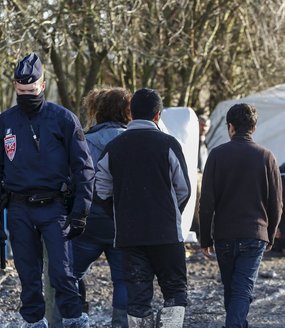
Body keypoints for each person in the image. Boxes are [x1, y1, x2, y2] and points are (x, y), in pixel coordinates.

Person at [0, 53, 94, 328]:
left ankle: (73, 320)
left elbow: (84, 169)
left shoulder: (63, 120)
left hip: (54, 206)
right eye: (21, 91)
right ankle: (33, 322)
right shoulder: (3, 124)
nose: (26, 95)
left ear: (42, 86)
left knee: (62, 273)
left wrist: (81, 211)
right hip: (19, 208)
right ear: (14, 87)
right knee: (28, 275)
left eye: (31, 91)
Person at [94, 88, 191, 327]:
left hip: (129, 234)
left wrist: (118, 213)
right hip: (166, 232)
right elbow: (184, 189)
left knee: (138, 298)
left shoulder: (114, 147)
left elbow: (101, 191)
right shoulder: (168, 144)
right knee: (175, 292)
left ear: (131, 113)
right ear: (158, 115)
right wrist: (170, 211)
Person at [199, 103, 282, 328]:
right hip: (255, 234)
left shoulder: (216, 155)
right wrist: (270, 234)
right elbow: (276, 204)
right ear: (254, 128)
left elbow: (206, 202)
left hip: (224, 235)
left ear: (230, 127)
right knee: (241, 290)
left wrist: (204, 237)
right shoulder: (267, 157)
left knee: (232, 290)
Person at [72, 87, 132, 328]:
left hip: (91, 221)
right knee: (123, 280)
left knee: (70, 275)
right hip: (124, 223)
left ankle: (75, 317)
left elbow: (77, 180)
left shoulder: (86, 141)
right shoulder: (135, 140)